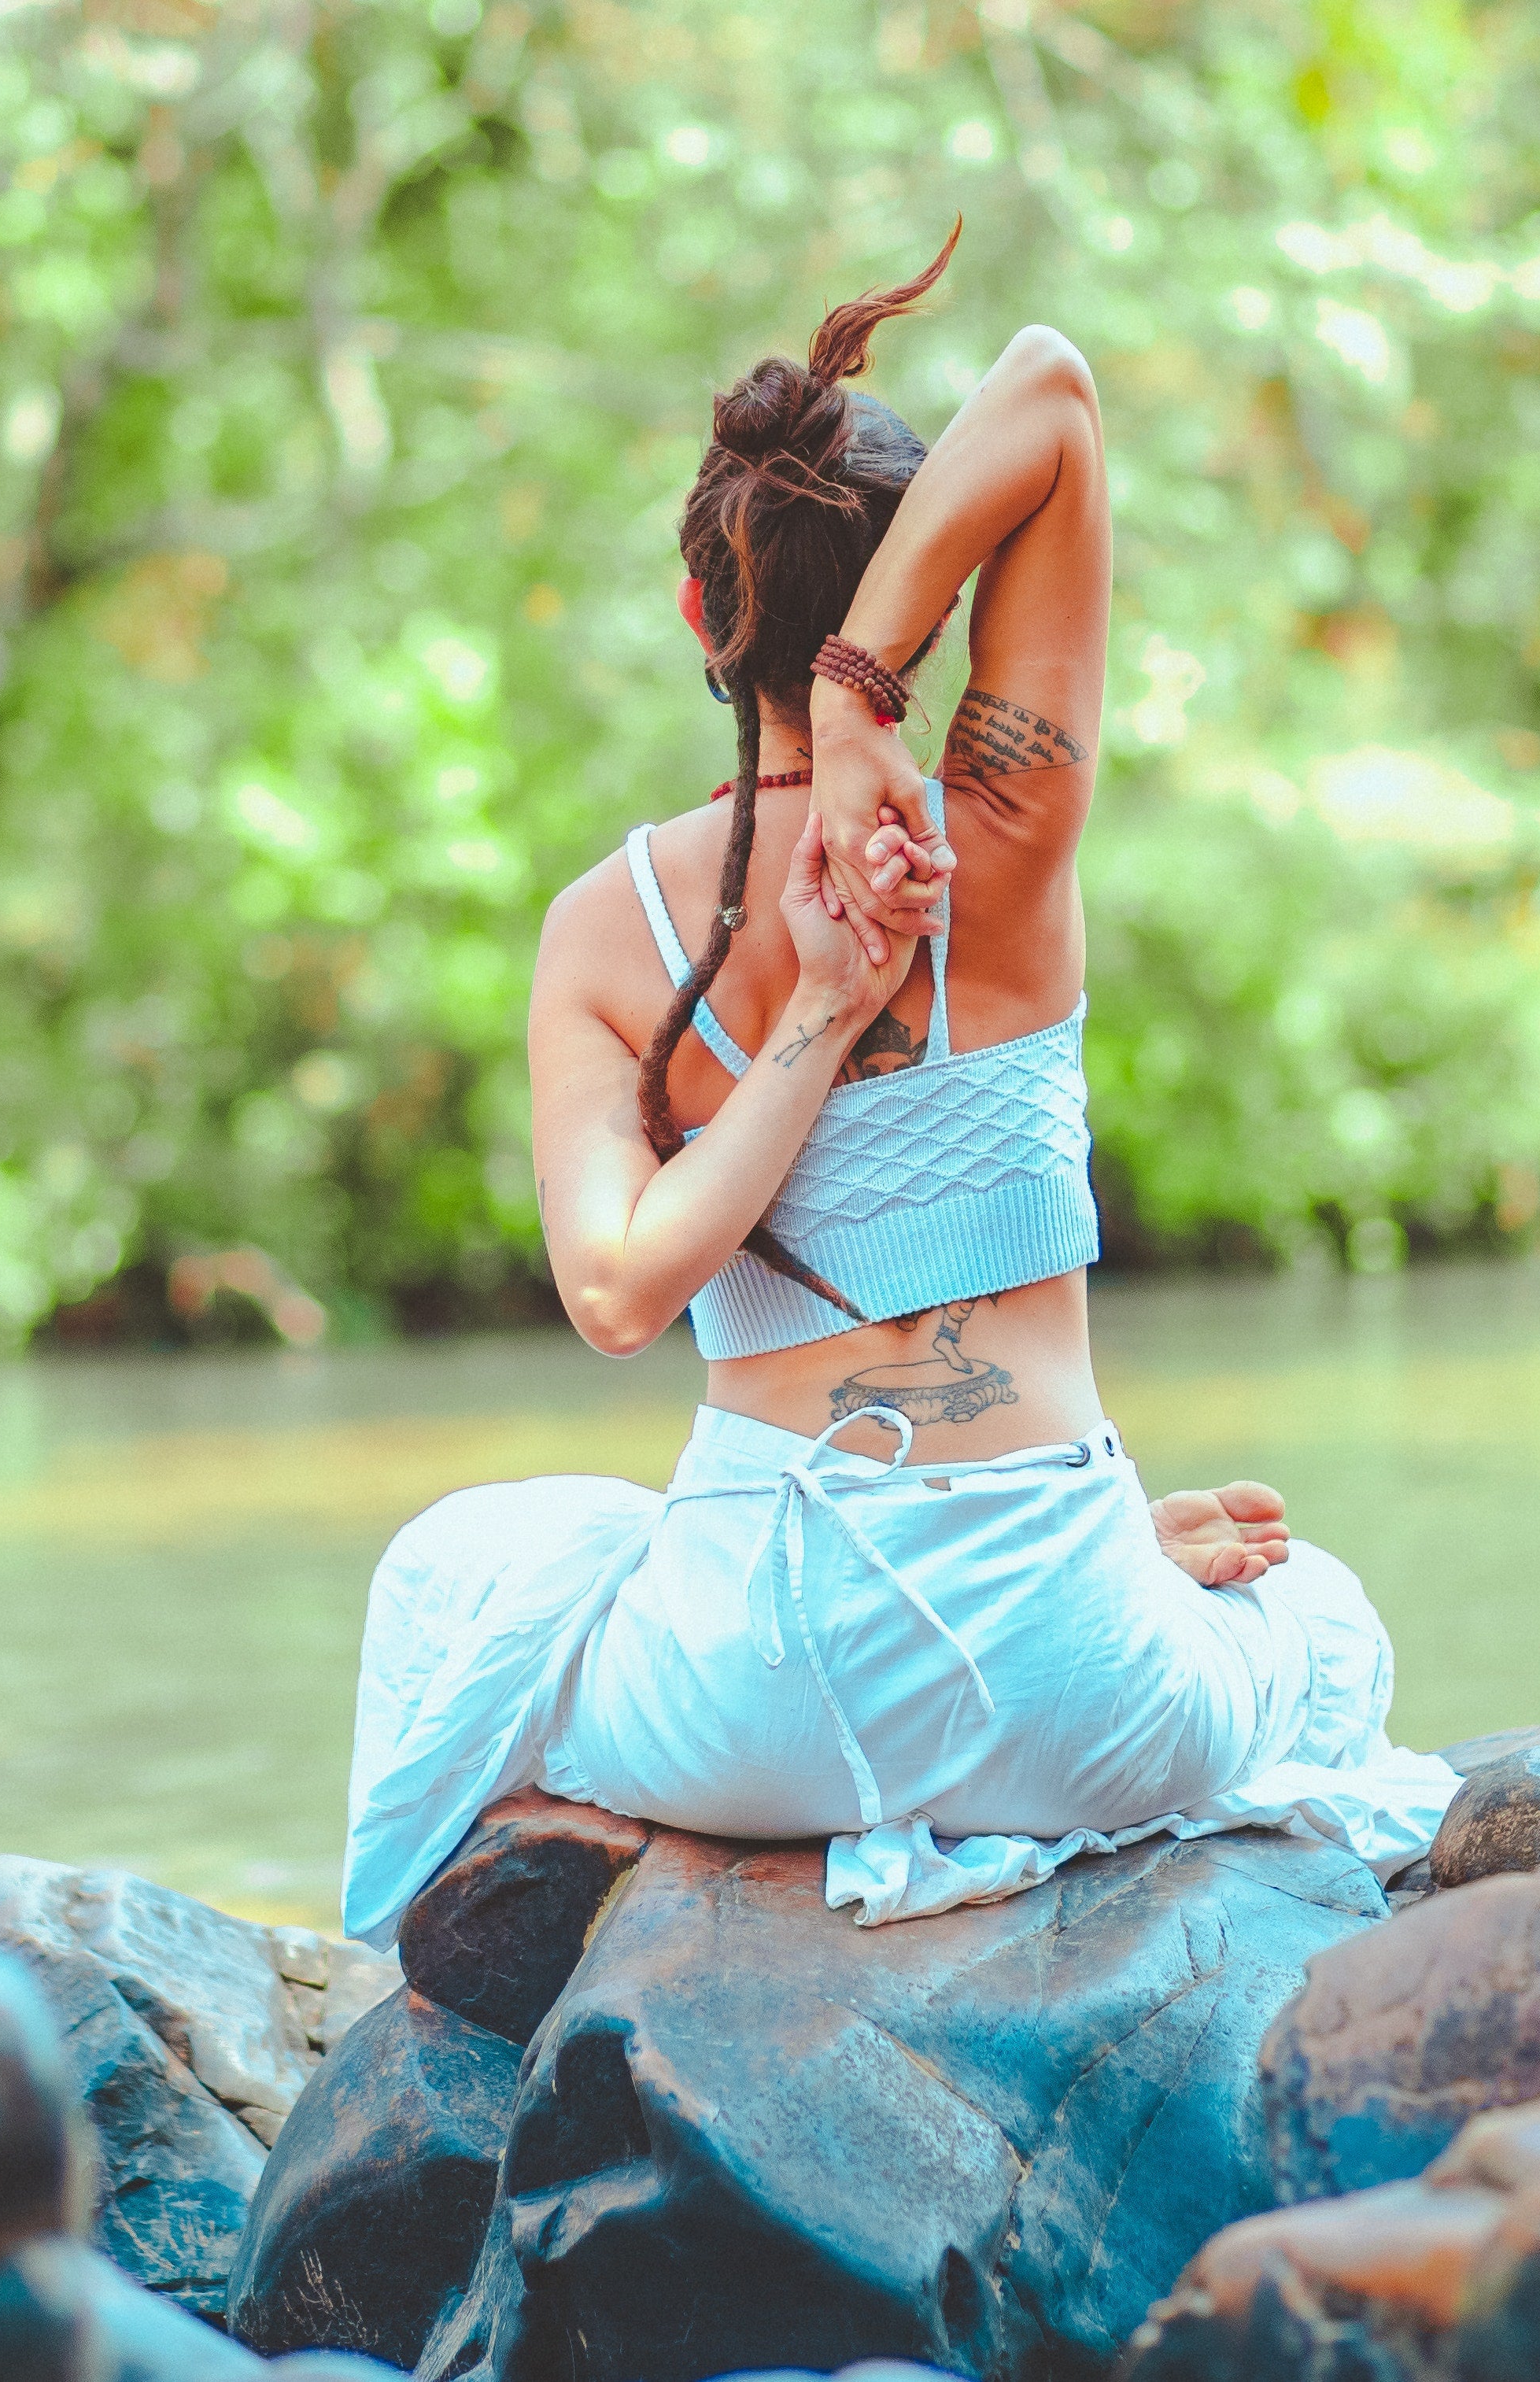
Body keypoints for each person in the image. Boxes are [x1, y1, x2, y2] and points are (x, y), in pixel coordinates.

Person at [338, 233, 1456, 1944]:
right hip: (1071, 1690)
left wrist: (791, 993)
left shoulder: (600, 934)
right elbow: (1052, 393)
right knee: (1319, 1618)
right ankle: (1105, 1580)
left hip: (744, 1702)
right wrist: (873, 692)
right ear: (919, 592)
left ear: (697, 610)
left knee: (470, 1574)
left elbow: (618, 1291)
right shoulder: (992, 838)